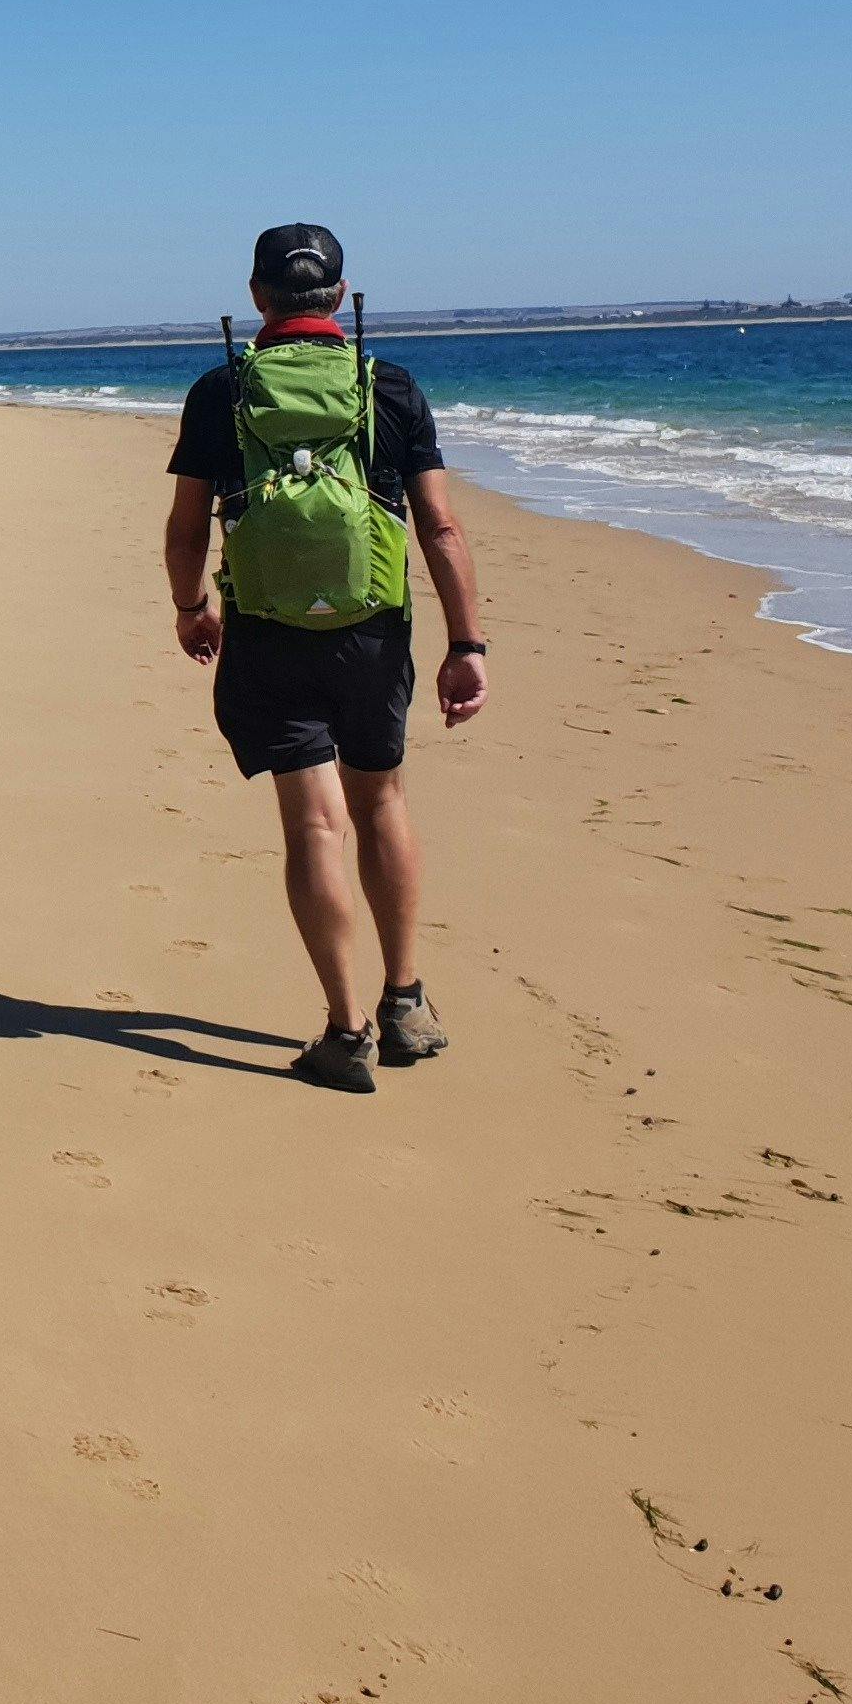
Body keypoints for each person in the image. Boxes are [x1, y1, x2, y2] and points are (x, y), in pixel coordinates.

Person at [160, 224, 489, 1093]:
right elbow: (440, 529)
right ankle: (405, 1002)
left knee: (312, 826)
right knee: (381, 803)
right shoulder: (390, 386)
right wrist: (466, 645)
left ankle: (346, 1034)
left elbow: (188, 529)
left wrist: (191, 609)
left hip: (266, 632)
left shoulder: (222, 391)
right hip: (372, 632)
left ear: (257, 296)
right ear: (340, 297)